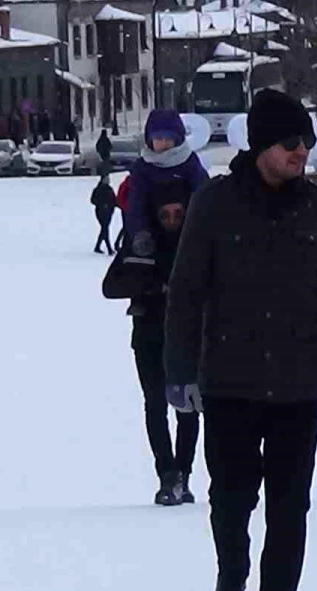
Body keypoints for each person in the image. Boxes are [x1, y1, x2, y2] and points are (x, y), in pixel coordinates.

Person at [164, 88, 317, 591]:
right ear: (261, 145)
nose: (303, 151)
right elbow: (186, 294)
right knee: (230, 501)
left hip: (298, 386)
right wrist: (180, 370)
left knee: (290, 507)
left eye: (308, 140)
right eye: (291, 141)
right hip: (229, 383)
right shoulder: (215, 204)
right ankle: (231, 583)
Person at [102, 179, 202, 506]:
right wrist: (151, 286)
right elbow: (110, 286)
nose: (172, 220)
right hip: (148, 335)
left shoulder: (195, 244)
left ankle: (183, 474)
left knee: (188, 407)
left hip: (189, 336)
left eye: (177, 214)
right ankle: (167, 474)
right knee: (155, 404)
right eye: (166, 215)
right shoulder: (141, 244)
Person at [123, 111, 209, 258]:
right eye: (158, 138)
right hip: (152, 236)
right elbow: (136, 204)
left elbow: (204, 197)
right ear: (150, 140)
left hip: (187, 235)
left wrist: (202, 231)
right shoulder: (142, 168)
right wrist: (140, 232)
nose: (164, 143)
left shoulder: (189, 163)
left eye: (169, 138)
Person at [89, 174, 118, 255]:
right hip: (101, 211)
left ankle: (97, 247)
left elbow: (114, 199)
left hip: (109, 211)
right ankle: (109, 248)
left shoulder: (110, 189)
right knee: (105, 228)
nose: (108, 180)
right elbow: (93, 200)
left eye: (109, 179)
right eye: (106, 179)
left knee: (104, 229)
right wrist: (102, 204)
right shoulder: (98, 189)